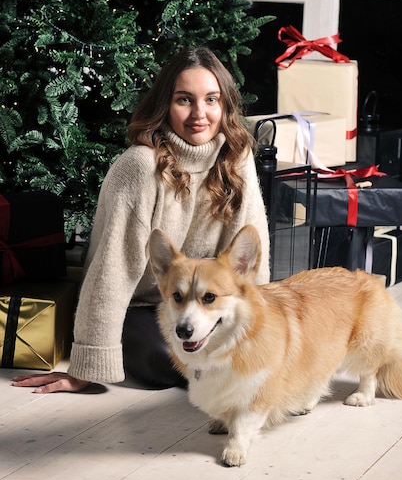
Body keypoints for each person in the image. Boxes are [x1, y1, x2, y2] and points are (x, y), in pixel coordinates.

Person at [12, 47, 270, 393]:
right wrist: (87, 363)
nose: (200, 113)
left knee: (235, 350)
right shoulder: (140, 166)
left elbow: (251, 260)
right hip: (144, 306)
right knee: (166, 360)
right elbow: (111, 269)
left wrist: (260, 335)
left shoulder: (236, 159)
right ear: (166, 104)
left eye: (212, 99)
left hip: (208, 302)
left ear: (224, 106)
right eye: (184, 100)